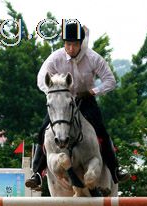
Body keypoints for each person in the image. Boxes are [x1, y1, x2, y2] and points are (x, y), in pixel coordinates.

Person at [25, 22, 128, 191]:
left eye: (74, 45)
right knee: (42, 131)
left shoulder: (93, 58)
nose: (71, 48)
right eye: (68, 44)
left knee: (101, 130)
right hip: (61, 102)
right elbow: (41, 78)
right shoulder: (55, 57)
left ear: (81, 43)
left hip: (85, 100)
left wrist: (92, 92)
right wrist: (54, 95)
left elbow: (110, 81)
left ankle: (116, 170)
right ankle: (37, 174)